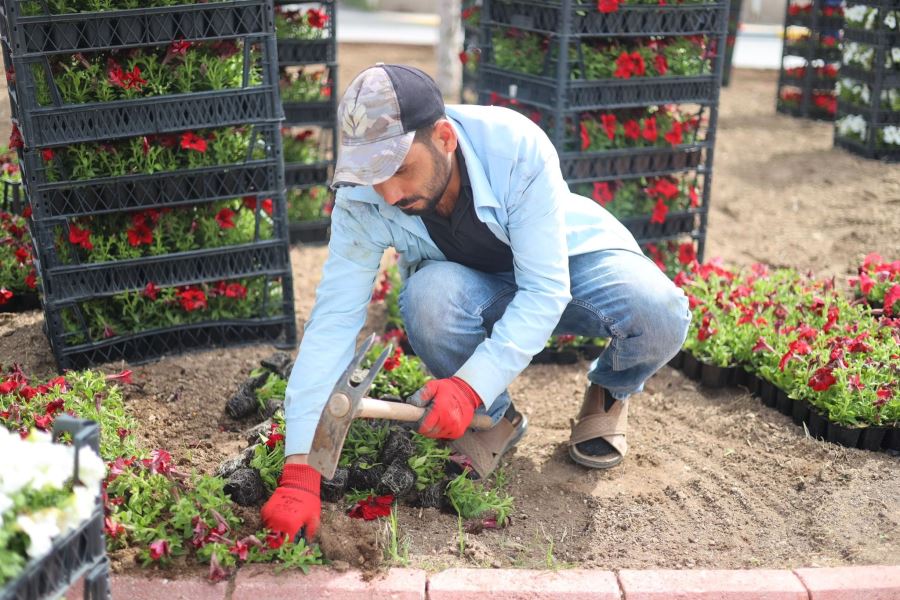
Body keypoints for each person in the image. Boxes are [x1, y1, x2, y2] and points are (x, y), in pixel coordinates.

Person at [261, 64, 691, 541]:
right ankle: (495, 417)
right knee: (427, 299)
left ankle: (610, 391)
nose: (389, 193)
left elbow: (544, 290)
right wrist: (300, 469)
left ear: (444, 137)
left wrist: (465, 387)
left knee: (659, 312)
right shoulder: (362, 198)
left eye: (400, 169)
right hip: (468, 287)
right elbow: (334, 320)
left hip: (570, 261)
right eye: (372, 174)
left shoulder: (512, 146)